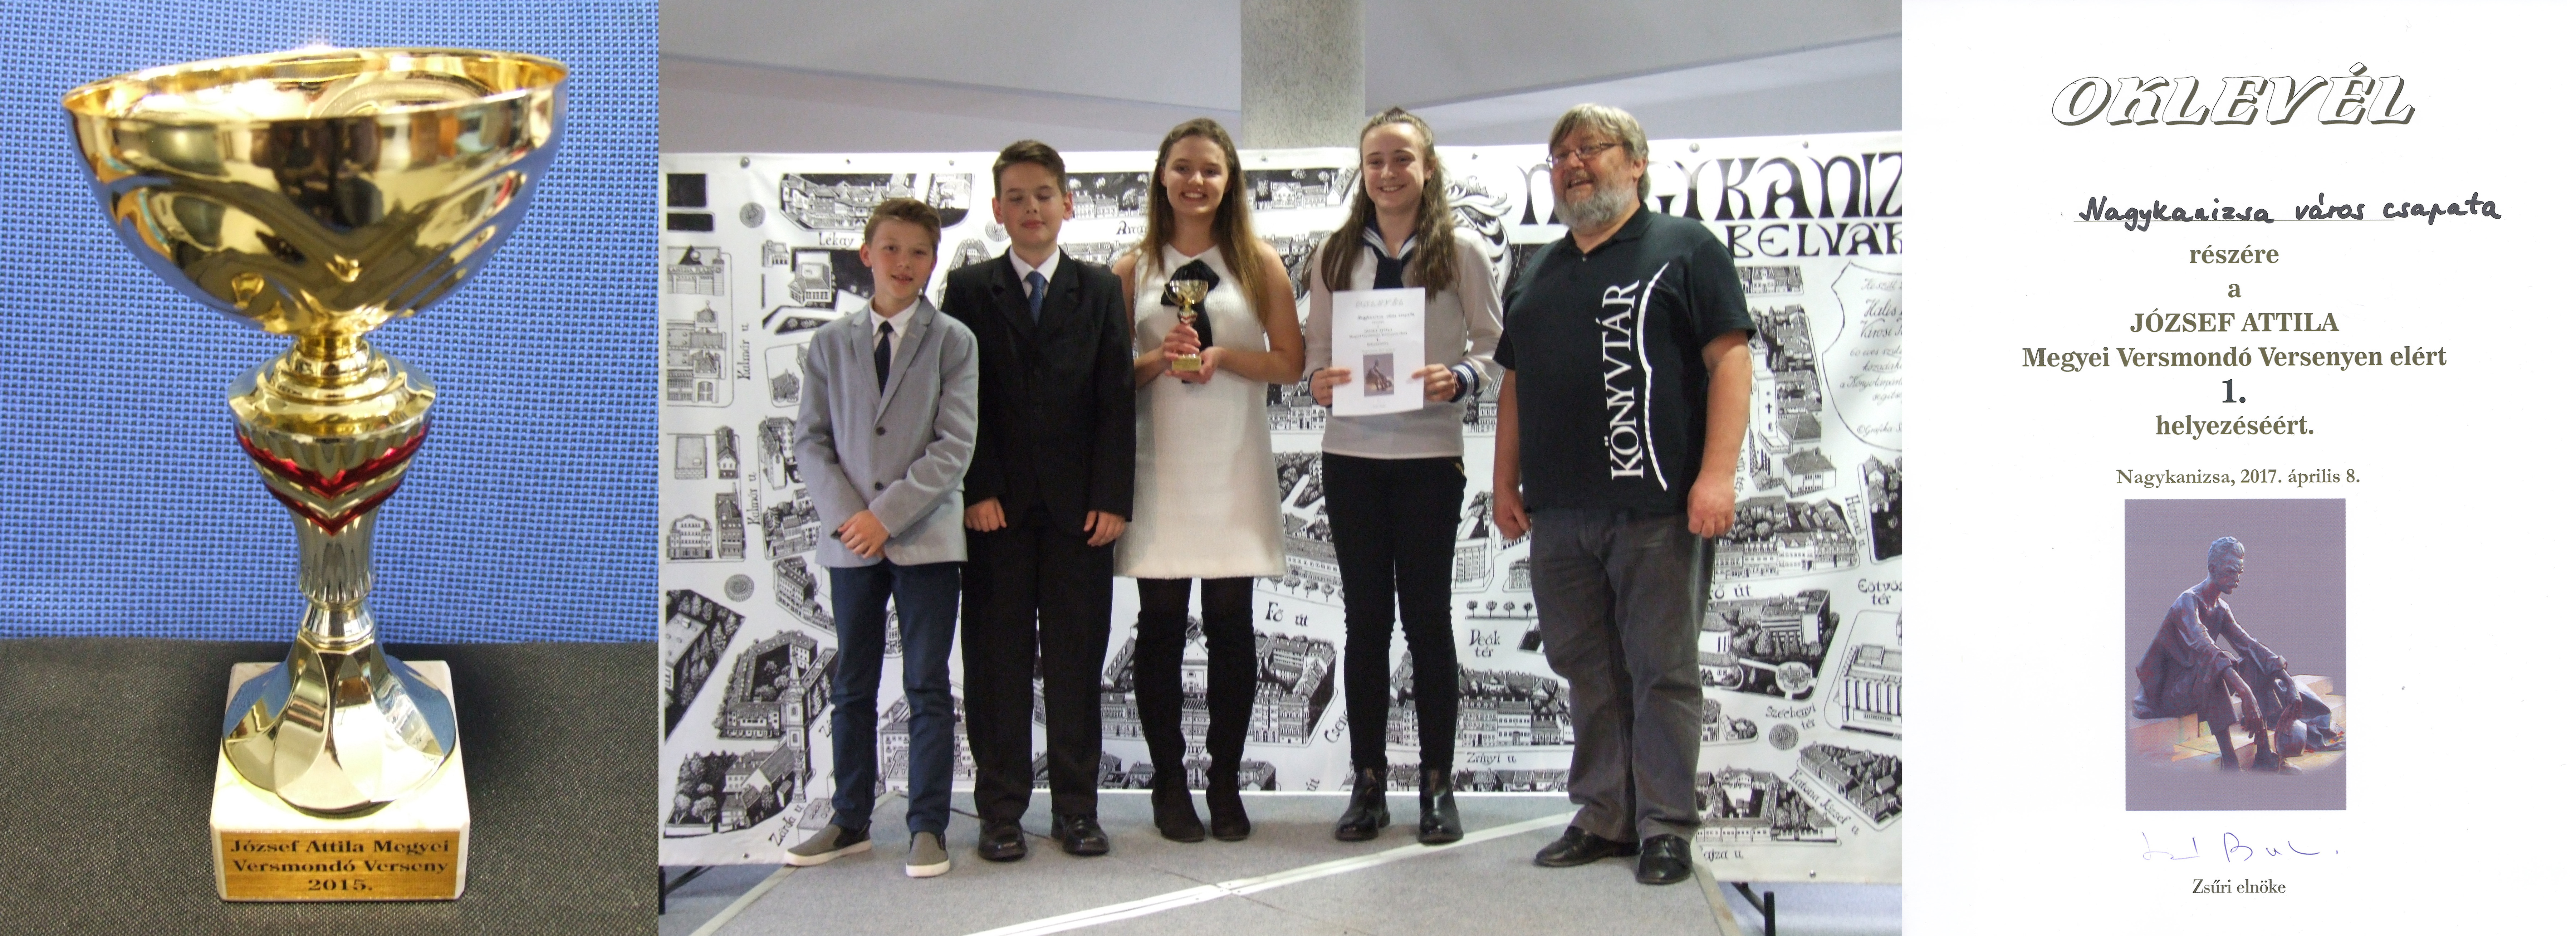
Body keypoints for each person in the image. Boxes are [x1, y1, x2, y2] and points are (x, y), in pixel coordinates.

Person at [1491, 104, 1754, 886]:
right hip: (1559, 512)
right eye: (1559, 155)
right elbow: (1514, 385)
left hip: (1658, 508)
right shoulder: (1537, 269)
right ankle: (1605, 815)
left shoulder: (1685, 247)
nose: (1572, 164)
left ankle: (1665, 825)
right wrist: (1503, 480)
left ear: (1636, 163)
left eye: (1590, 149)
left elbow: (1730, 361)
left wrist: (1717, 475)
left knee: (1662, 670)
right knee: (1586, 667)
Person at [1302, 107, 1501, 845]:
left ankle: (1437, 785)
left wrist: (1460, 377)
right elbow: (1315, 354)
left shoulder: (1462, 252)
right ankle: (1368, 784)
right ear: (1362, 172)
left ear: (1428, 168)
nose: (1387, 173)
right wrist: (1319, 382)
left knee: (1426, 622)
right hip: (1350, 457)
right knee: (1364, 623)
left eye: (1402, 159)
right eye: (1375, 161)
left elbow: (1494, 345)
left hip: (1427, 458)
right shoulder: (1334, 255)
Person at [1112, 117, 1305, 843]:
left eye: (1211, 170)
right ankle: (1169, 784)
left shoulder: (1257, 262)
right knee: (1159, 629)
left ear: (1230, 182)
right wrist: (1157, 360)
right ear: (1162, 177)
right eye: (1183, 168)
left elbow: (1289, 361)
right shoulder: (1130, 269)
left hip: (1232, 464)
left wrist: (1222, 357)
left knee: (1231, 628)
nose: (1196, 181)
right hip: (1158, 467)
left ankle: (1224, 783)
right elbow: (1105, 377)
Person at [944, 140, 1135, 862]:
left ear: (1068, 204)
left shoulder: (1098, 288)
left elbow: (1115, 398)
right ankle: (999, 812)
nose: (1031, 209)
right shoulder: (968, 289)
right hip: (994, 512)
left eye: (1044, 196)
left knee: (1077, 664)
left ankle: (1077, 811)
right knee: (995, 666)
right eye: (1017, 198)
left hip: (1080, 514)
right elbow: (957, 400)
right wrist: (977, 488)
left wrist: (1113, 497)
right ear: (997, 210)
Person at [782, 198, 980, 878]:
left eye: (919, 252)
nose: (904, 263)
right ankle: (849, 820)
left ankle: (927, 825)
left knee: (927, 684)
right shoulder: (829, 343)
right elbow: (810, 441)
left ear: (934, 261)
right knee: (852, 685)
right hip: (851, 543)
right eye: (890, 249)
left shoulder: (953, 340)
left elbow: (953, 446)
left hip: (926, 539)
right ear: (866, 254)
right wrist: (852, 518)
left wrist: (885, 516)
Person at [2131, 536, 2306, 774]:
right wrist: (2246, 694)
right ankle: (2231, 763)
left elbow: (2250, 645)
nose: (2237, 579)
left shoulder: (2221, 608)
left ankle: (2264, 754)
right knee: (2213, 664)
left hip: (2192, 687)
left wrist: (2288, 681)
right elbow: (2205, 647)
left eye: (2240, 573)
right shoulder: (2187, 603)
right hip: (2164, 696)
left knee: (2252, 661)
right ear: (2213, 569)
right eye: (2231, 572)